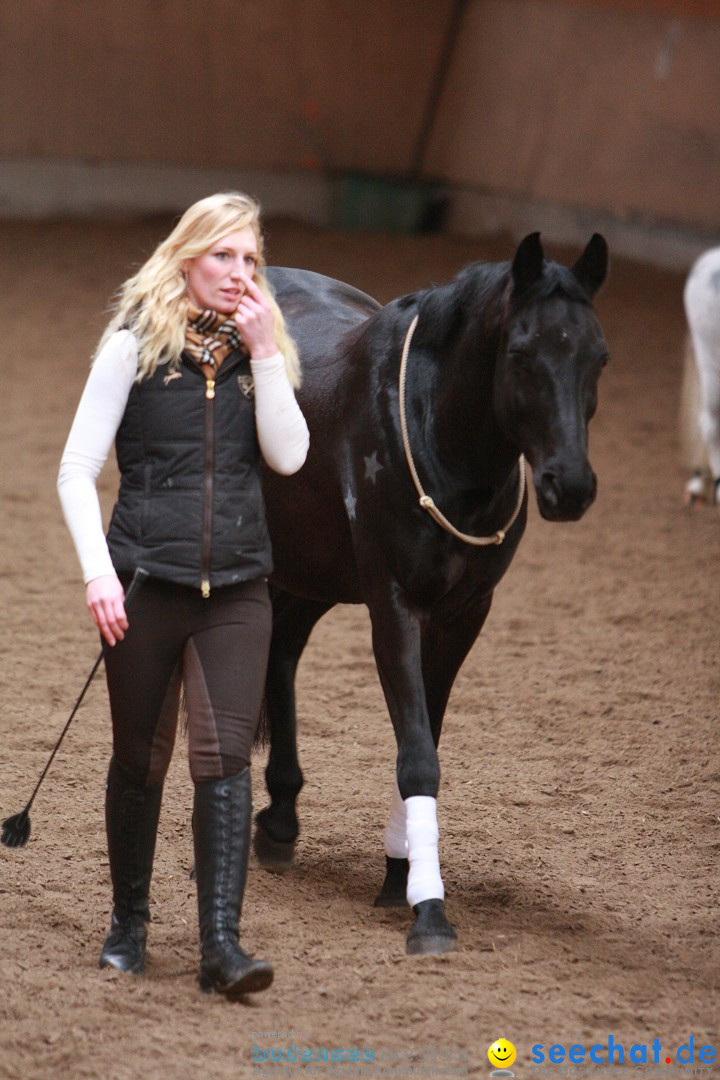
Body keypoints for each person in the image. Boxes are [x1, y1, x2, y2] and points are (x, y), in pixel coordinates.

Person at [57, 192, 309, 998]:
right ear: (187, 257)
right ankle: (129, 924)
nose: (238, 274)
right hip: (143, 586)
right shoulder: (131, 347)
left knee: (225, 759)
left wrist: (268, 354)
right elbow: (75, 471)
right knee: (139, 759)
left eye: (250, 260)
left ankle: (221, 948)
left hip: (239, 588)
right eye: (223, 256)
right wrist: (99, 573)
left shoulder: (260, 352)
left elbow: (291, 457)